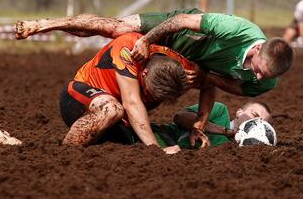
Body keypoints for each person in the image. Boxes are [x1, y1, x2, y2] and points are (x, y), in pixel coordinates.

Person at [15, 8, 293, 148]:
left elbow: (216, 85)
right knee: (120, 28)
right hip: (180, 32)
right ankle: (47, 24)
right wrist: (145, 40)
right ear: (257, 49)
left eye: (264, 76)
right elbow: (181, 20)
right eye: (258, 69)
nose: (258, 76)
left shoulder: (265, 81)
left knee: (146, 100)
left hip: (187, 63)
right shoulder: (237, 29)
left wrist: (201, 122)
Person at [59, 32, 203, 154]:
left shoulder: (184, 69)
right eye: (150, 93)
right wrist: (157, 150)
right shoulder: (129, 49)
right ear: (145, 73)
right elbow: (131, 103)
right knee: (112, 110)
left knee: (134, 141)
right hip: (81, 96)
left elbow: (209, 83)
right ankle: (66, 153)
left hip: (120, 121)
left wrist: (199, 126)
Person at [111, 101, 271, 150]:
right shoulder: (220, 111)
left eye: (261, 122)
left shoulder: (235, 150)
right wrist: (224, 131)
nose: (255, 123)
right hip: (163, 136)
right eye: (254, 115)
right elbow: (179, 117)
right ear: (238, 112)